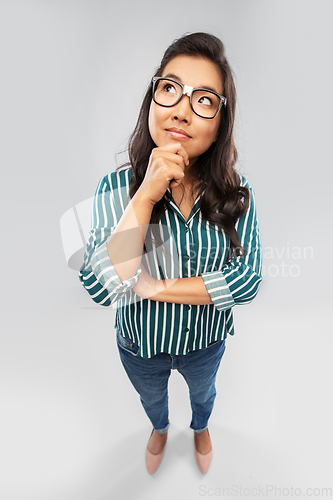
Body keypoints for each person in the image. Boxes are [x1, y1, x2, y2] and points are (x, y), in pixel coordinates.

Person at [79, 32, 262, 474]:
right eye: (170, 89)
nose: (181, 108)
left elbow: (248, 280)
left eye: (203, 100)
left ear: (221, 121)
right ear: (152, 102)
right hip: (140, 345)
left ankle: (200, 426)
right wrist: (144, 197)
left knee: (204, 394)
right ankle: (159, 429)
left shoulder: (238, 196)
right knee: (151, 399)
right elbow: (102, 286)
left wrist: (155, 287)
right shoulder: (115, 189)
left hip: (206, 343)